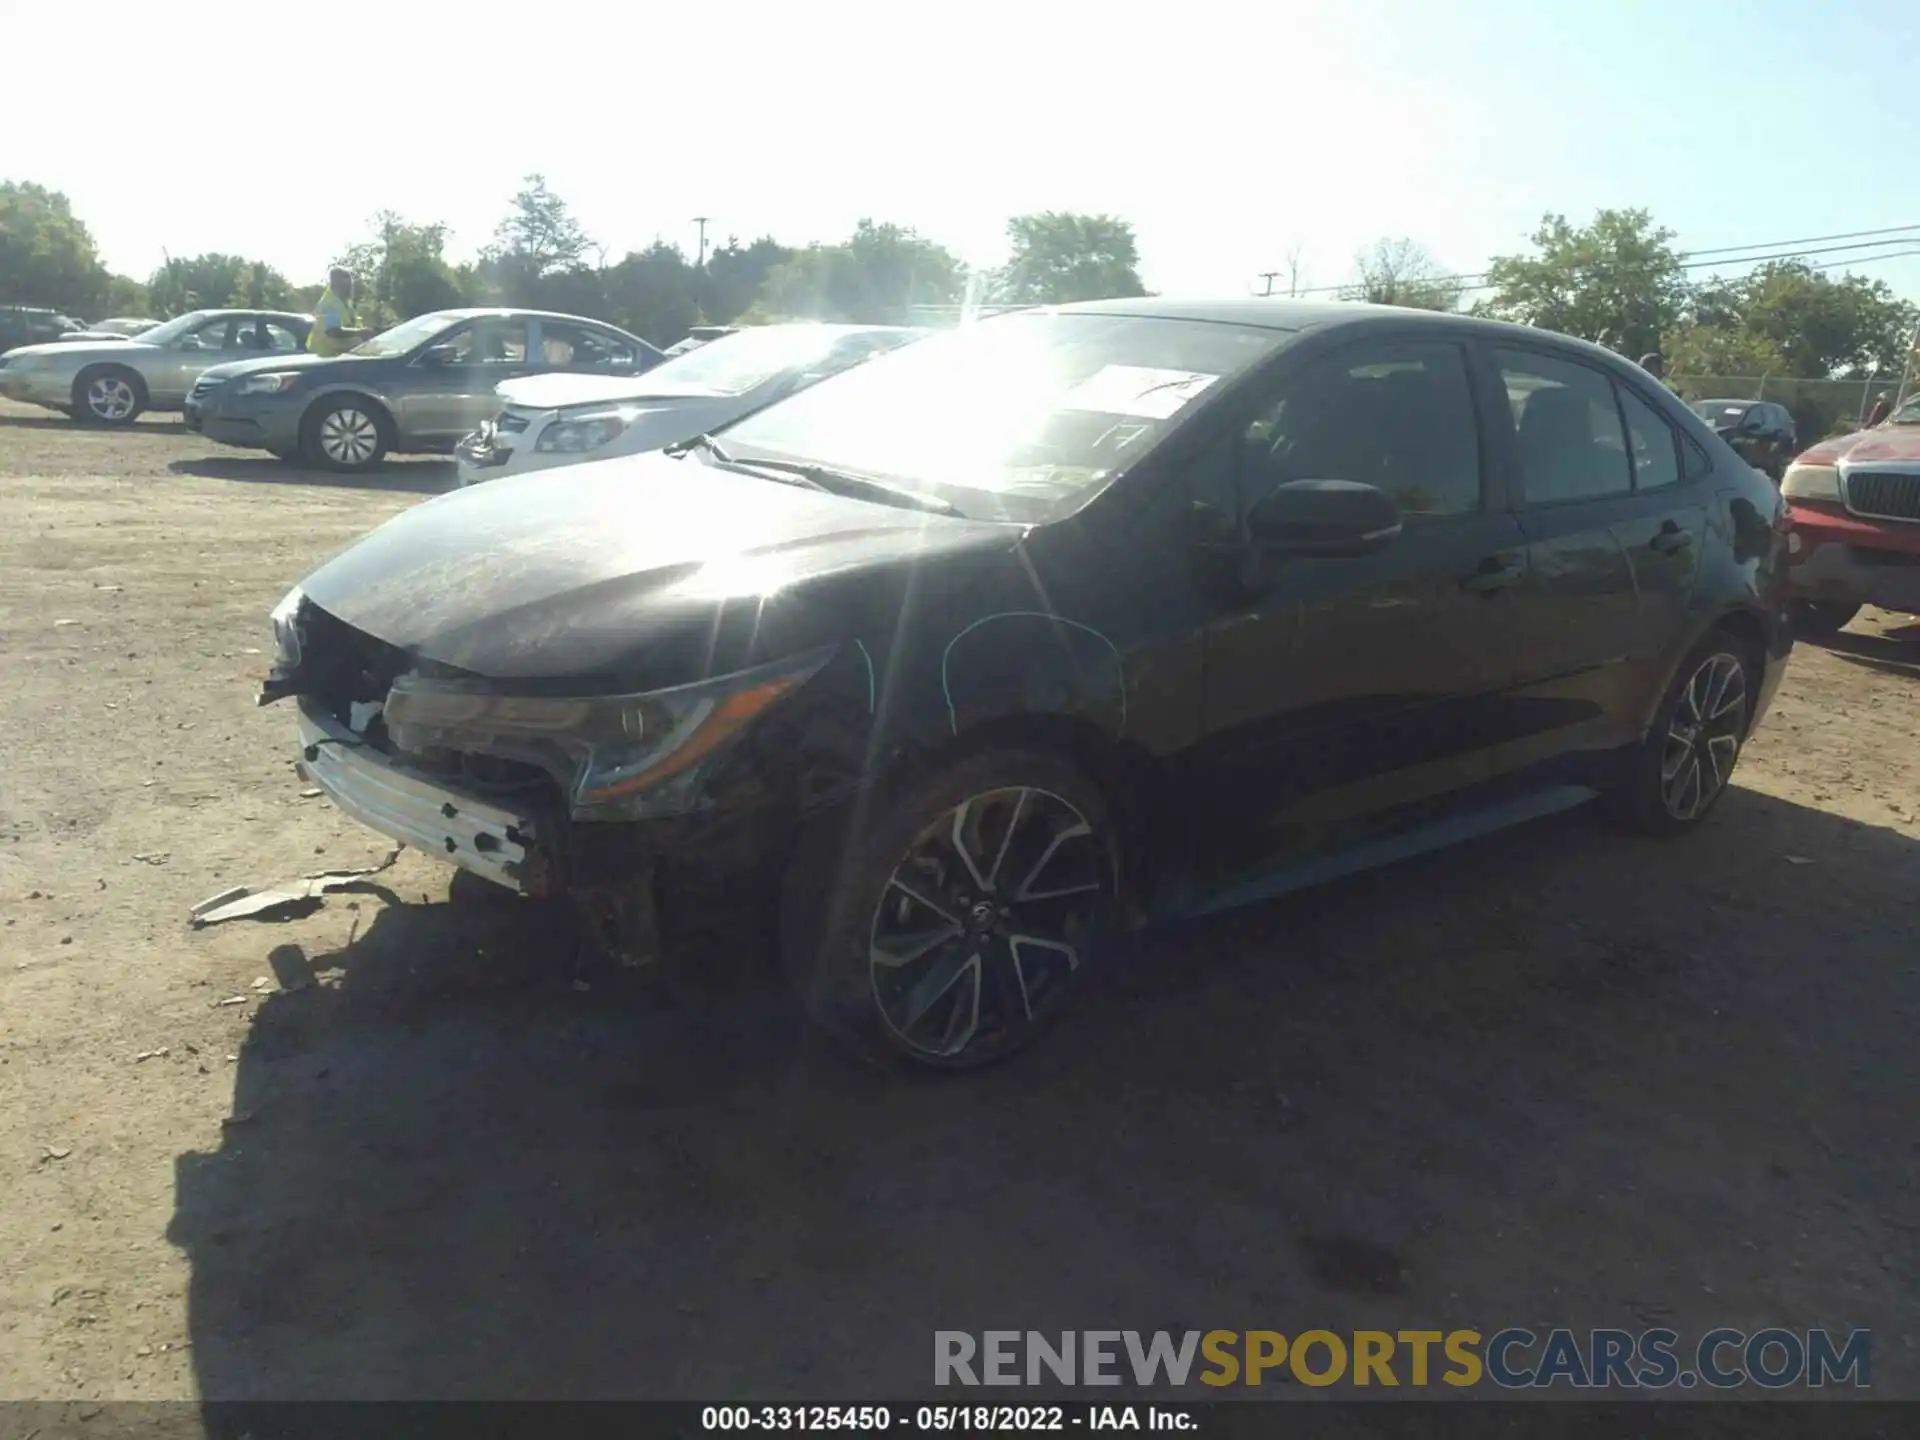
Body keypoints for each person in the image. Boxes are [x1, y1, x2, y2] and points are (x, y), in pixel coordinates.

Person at [306, 268, 377, 357]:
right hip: (326, 356)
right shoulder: (330, 303)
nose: (350, 286)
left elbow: (352, 326)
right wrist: (360, 332)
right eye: (346, 281)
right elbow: (332, 331)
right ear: (337, 284)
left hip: (339, 355)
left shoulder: (345, 304)